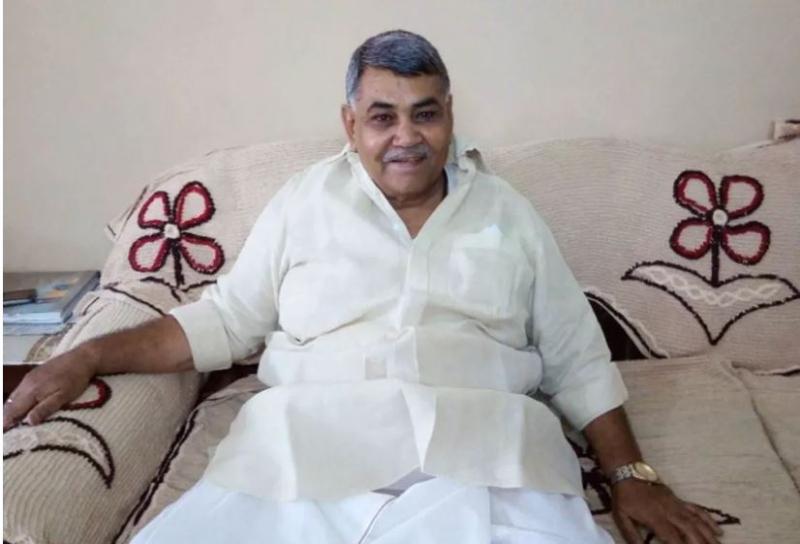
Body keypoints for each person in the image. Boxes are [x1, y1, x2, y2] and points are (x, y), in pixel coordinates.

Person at [4, 30, 723, 544]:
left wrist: (631, 474)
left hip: (486, 459)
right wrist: (88, 355)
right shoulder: (303, 202)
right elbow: (224, 319)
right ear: (350, 125)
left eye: (425, 113)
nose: (406, 136)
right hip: (304, 457)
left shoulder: (508, 214)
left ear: (449, 115)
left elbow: (574, 357)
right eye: (383, 116)